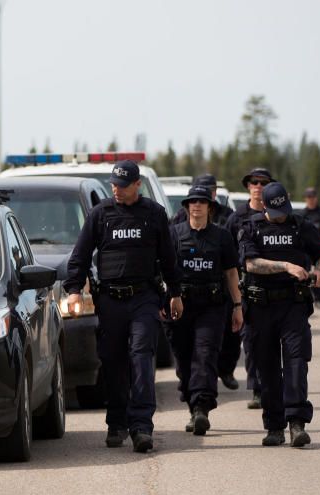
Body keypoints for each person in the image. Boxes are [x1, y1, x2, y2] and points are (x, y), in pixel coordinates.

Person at [64, 159, 183, 453]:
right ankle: (117, 422)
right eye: (114, 185)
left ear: (137, 185)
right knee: (113, 362)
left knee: (141, 357)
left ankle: (142, 427)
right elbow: (79, 256)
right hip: (110, 301)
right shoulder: (100, 214)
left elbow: (169, 259)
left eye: (122, 186)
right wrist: (74, 290)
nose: (116, 190)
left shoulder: (154, 214)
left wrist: (175, 293)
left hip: (144, 297)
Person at [240, 181, 320, 447]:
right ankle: (274, 427)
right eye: (276, 211)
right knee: (267, 369)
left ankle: (297, 423)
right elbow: (250, 263)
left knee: (296, 364)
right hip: (261, 307)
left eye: (285, 210)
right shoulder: (251, 228)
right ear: (265, 206)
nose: (282, 216)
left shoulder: (300, 225)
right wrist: (286, 266)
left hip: (293, 305)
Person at [165, 185, 243, 435]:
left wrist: (238, 306)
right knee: (184, 359)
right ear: (187, 207)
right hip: (180, 306)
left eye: (201, 201)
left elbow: (231, 272)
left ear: (210, 207)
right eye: (192, 202)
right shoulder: (174, 234)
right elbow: (162, 271)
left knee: (206, 354)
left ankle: (201, 408)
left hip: (212, 306)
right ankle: (192, 403)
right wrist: (162, 301)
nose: (196, 205)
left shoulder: (221, 237)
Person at [223, 167, 274, 408]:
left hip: (272, 285)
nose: (258, 186)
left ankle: (272, 384)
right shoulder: (236, 218)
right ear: (248, 187)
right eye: (254, 182)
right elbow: (225, 252)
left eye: (263, 183)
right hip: (244, 286)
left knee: (271, 340)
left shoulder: (276, 214)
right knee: (250, 340)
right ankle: (257, 388)